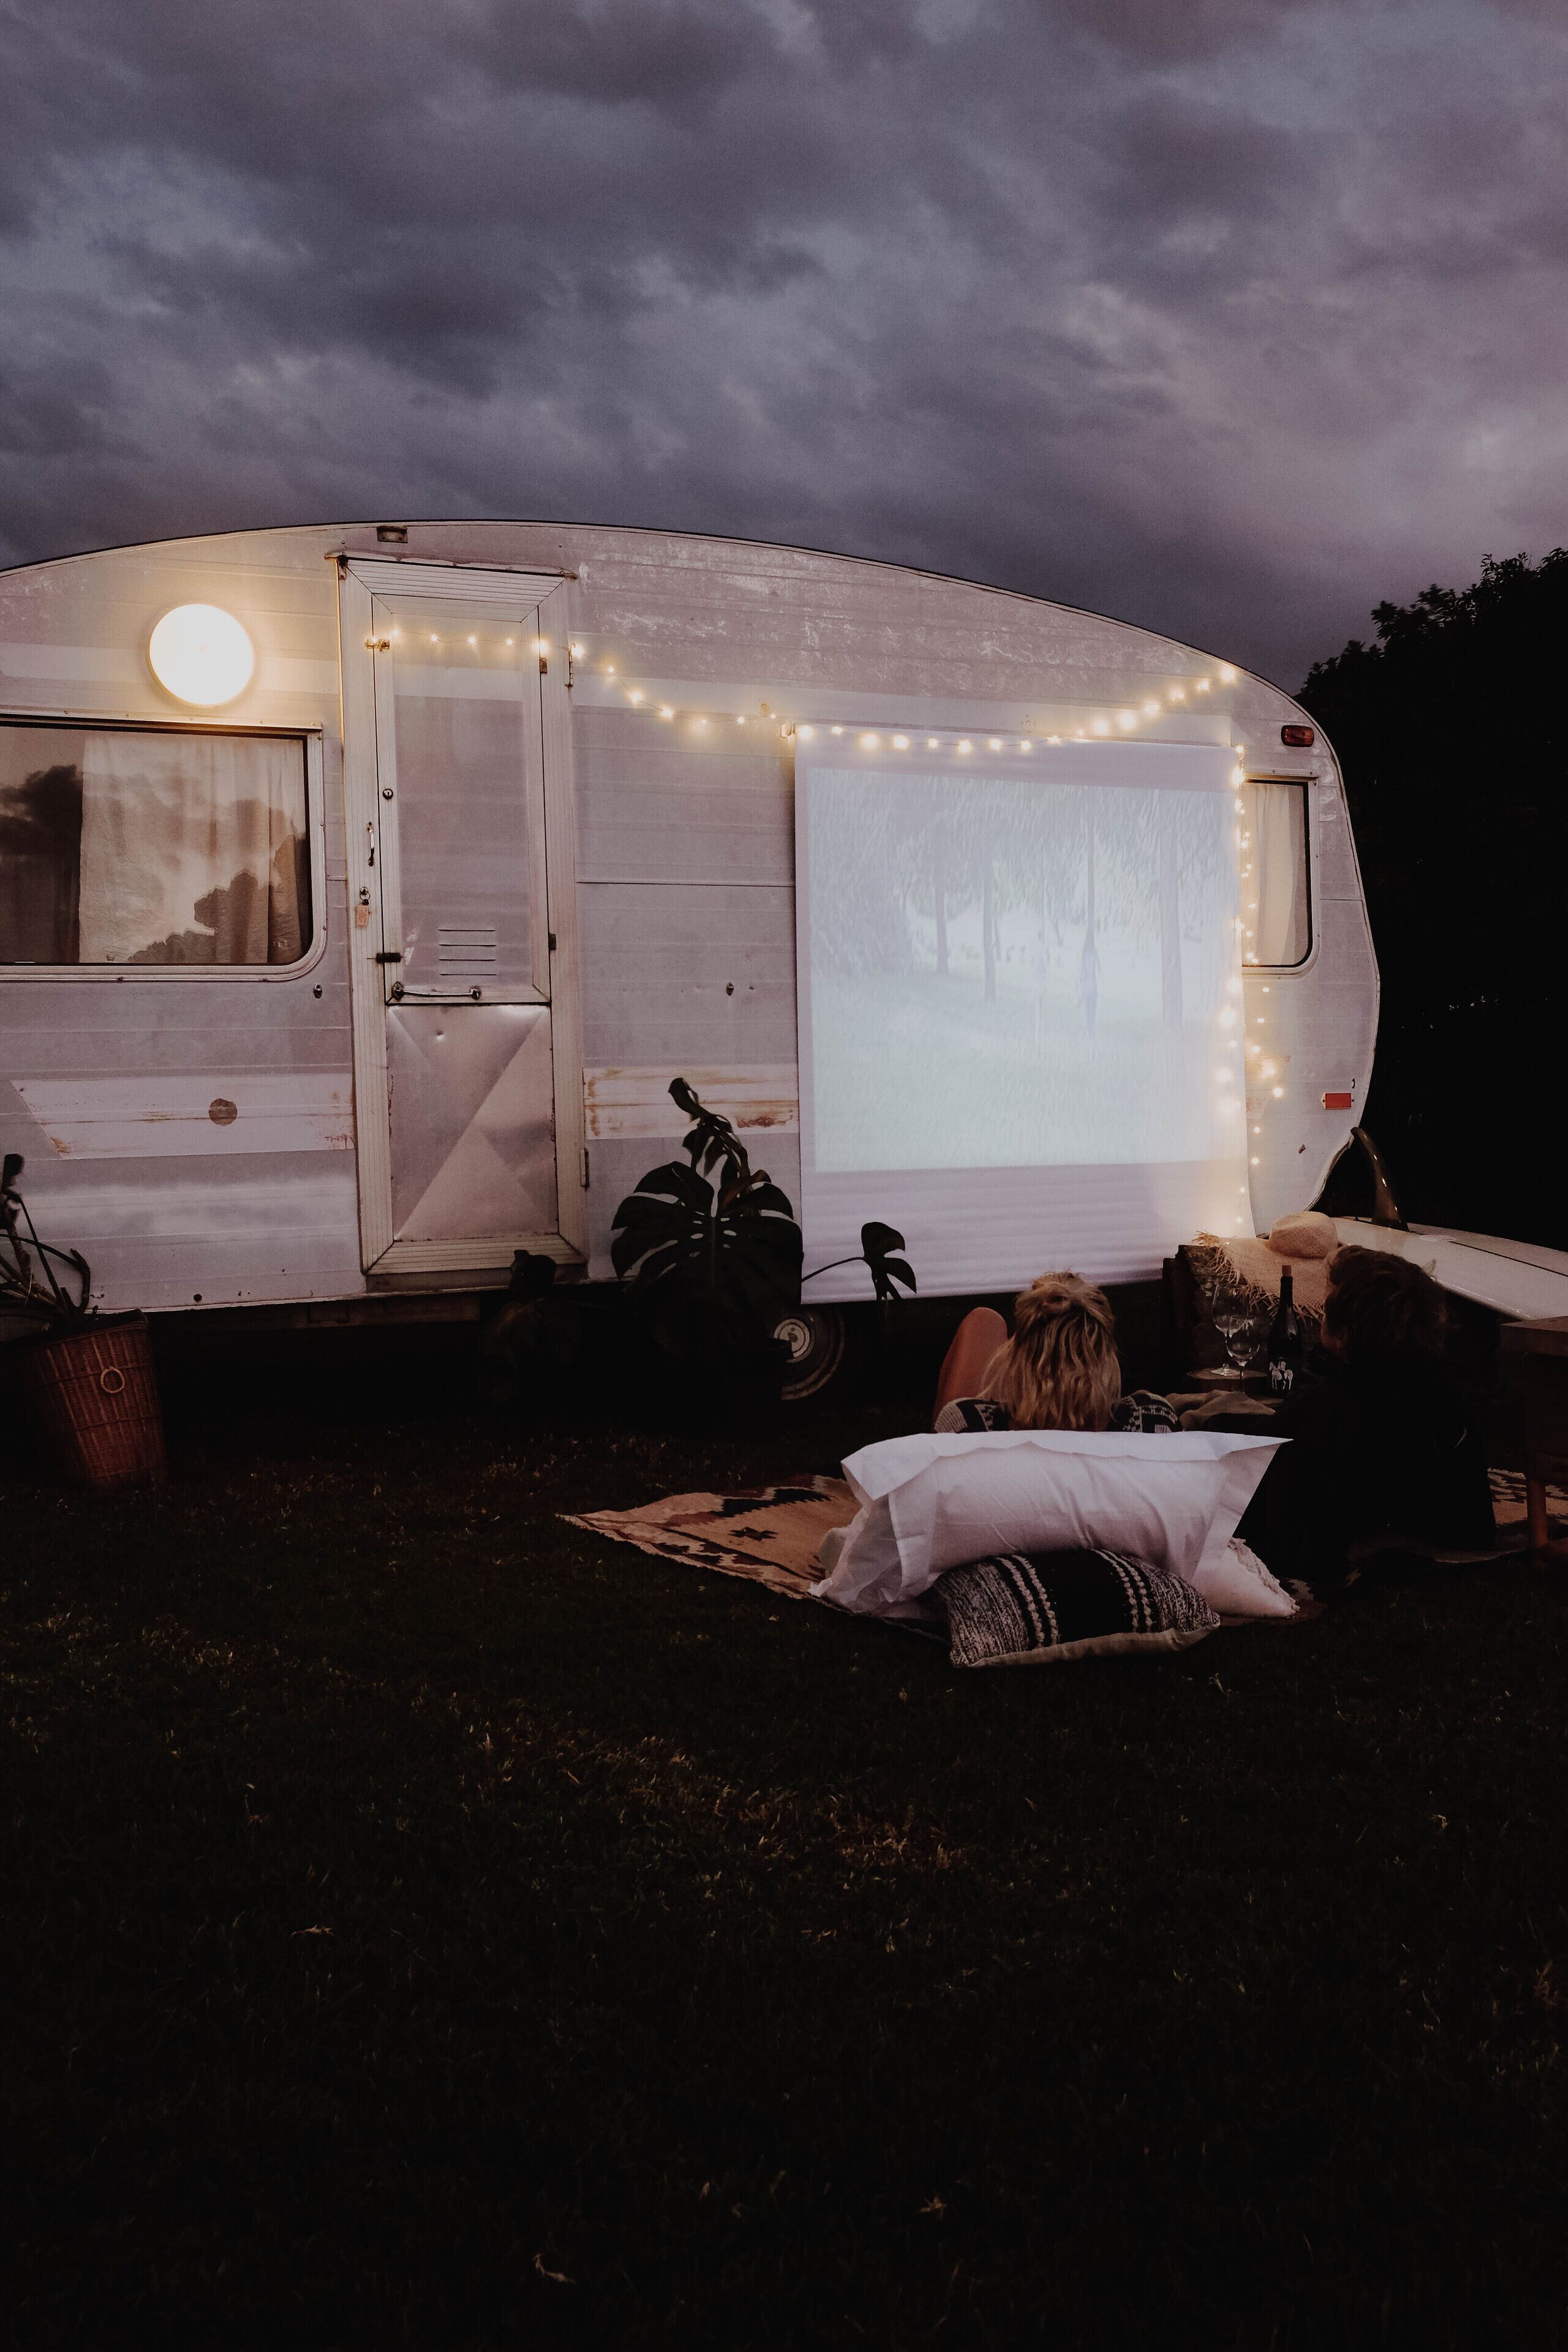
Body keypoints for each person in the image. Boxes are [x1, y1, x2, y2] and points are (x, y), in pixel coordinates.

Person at [1234, 1244, 1496, 1596]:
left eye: (1326, 1312)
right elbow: (1476, 1526)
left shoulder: (1329, 1410)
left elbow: (1274, 1520)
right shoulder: (1449, 1401)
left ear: (1343, 1336)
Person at [933, 1272, 1178, 1434]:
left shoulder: (966, 1424)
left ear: (1018, 1356)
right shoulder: (1152, 1418)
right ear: (1105, 1358)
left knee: (984, 1321)